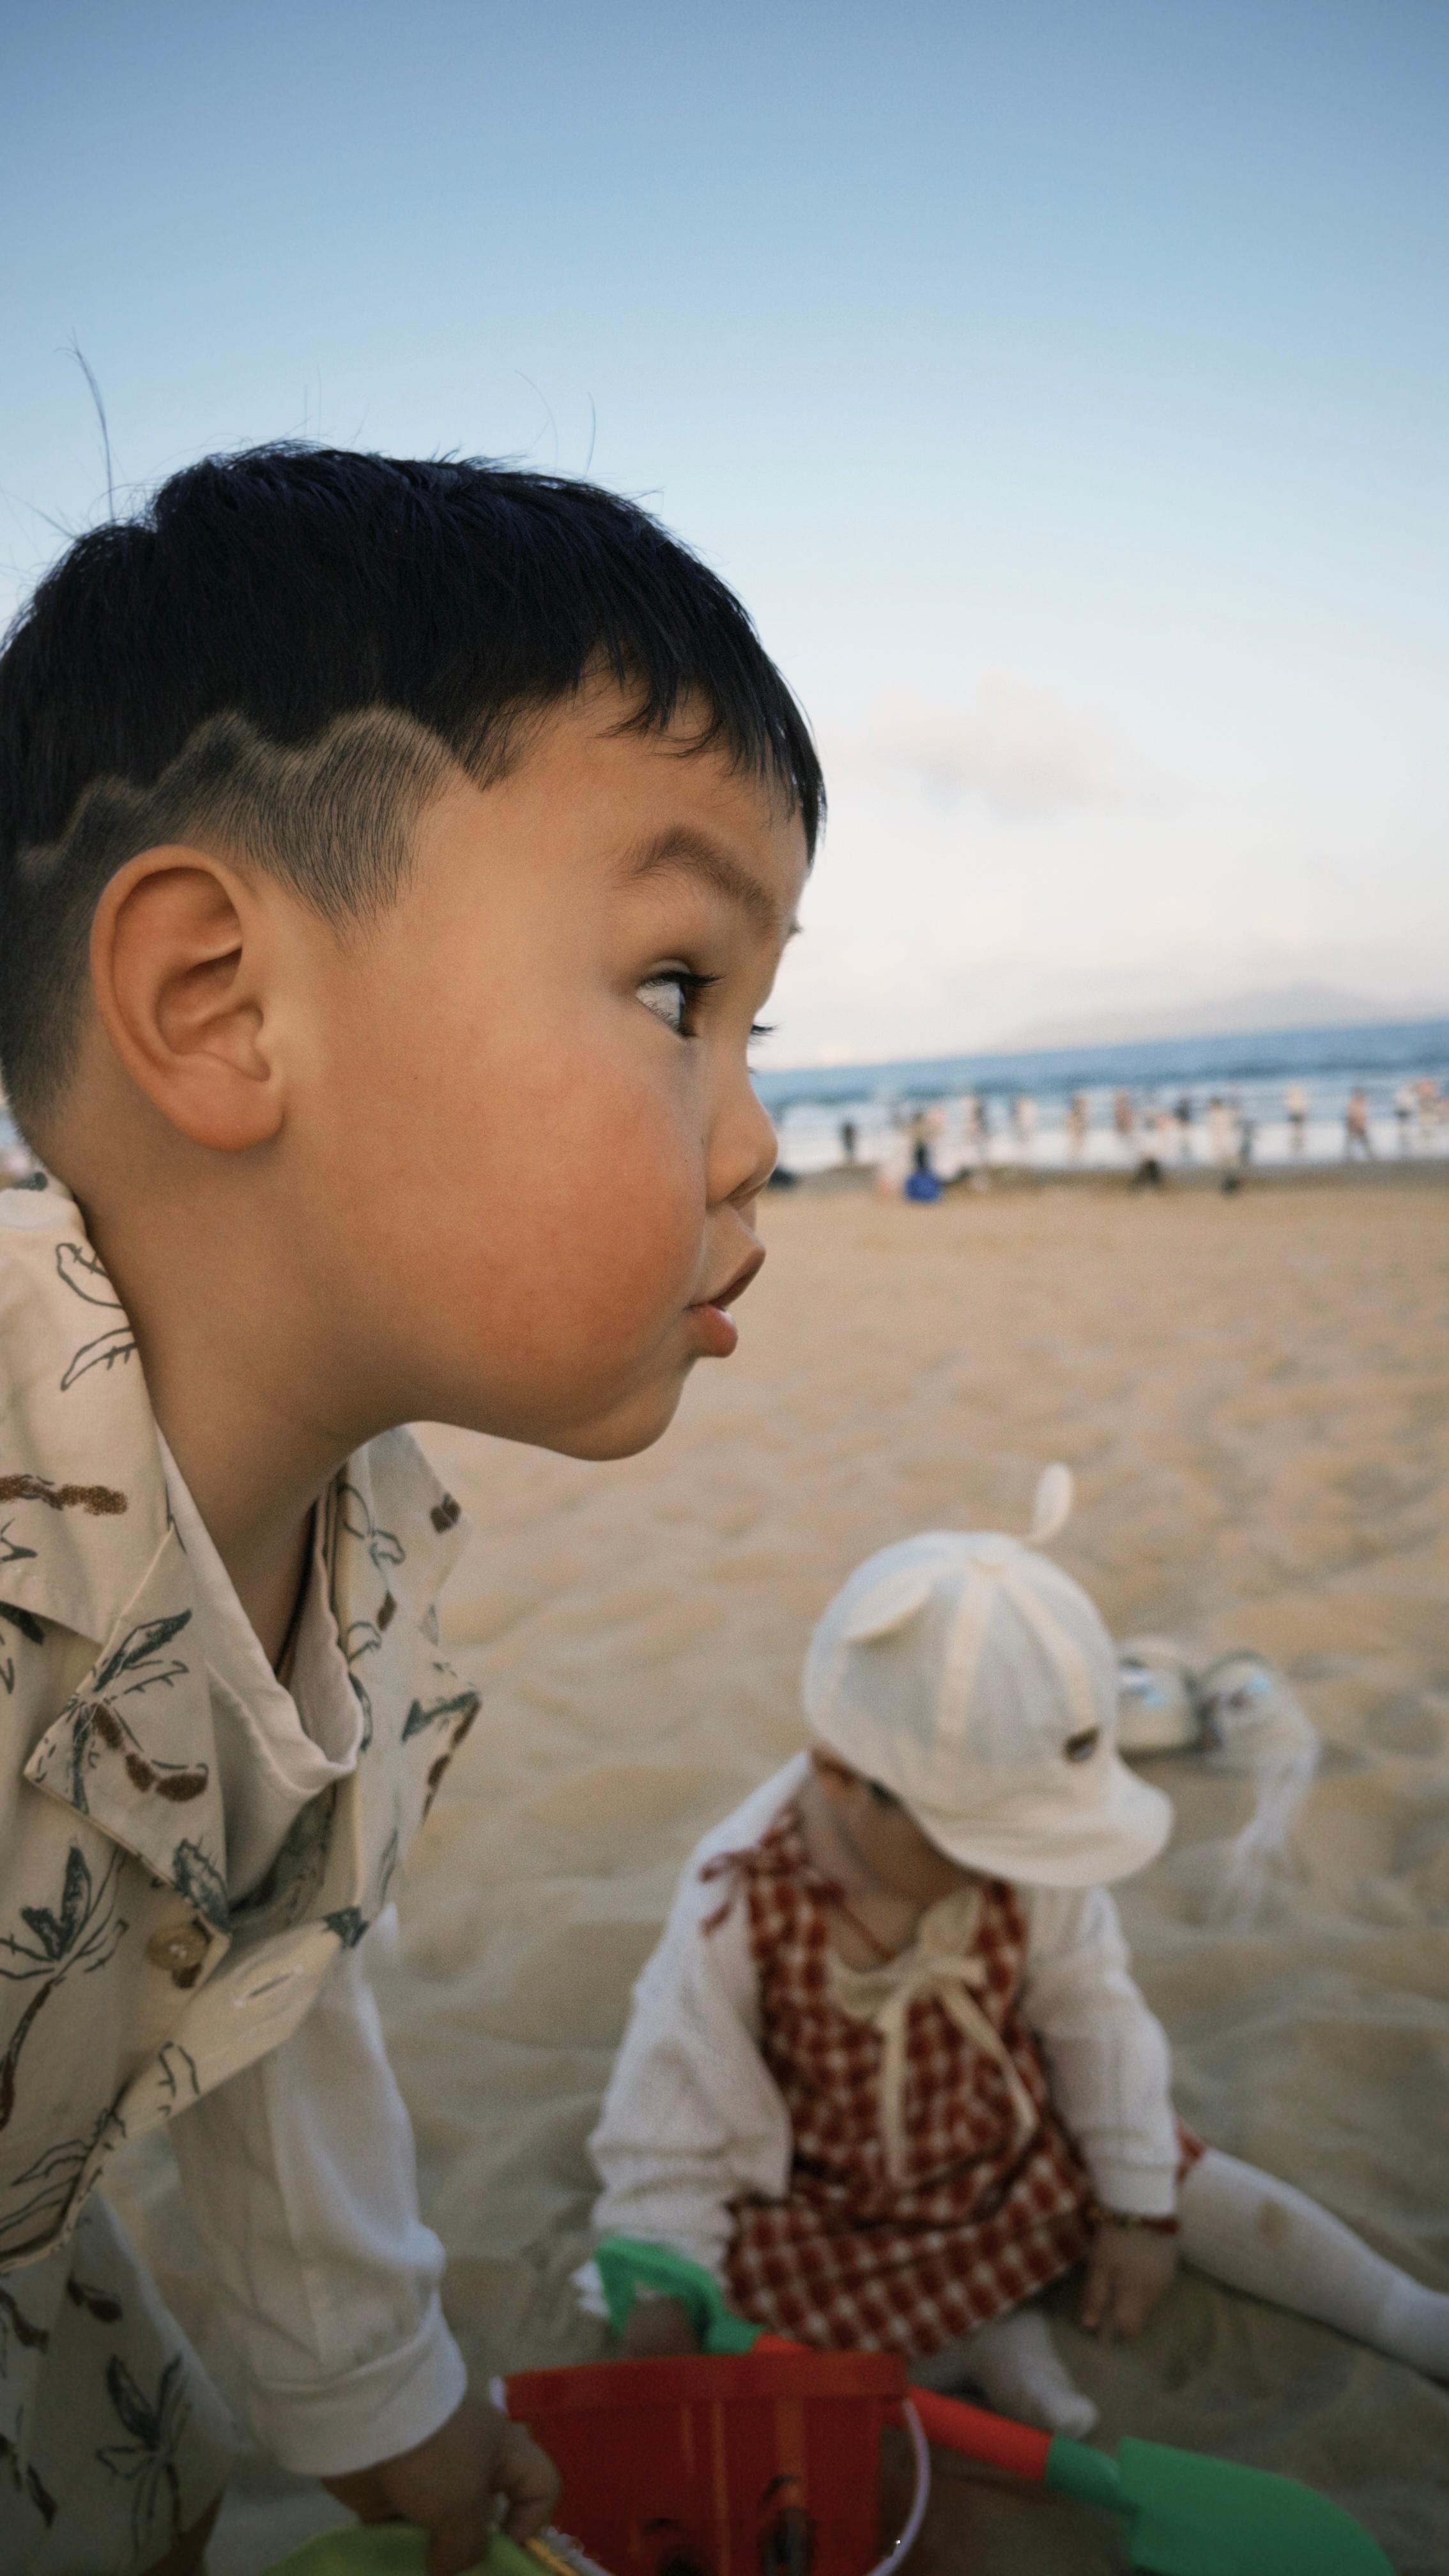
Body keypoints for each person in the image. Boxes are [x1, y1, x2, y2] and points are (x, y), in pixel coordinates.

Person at [0, 445, 817, 2576]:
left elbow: (254, 1975)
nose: (749, 1141)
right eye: (671, 994)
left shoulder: (340, 1545)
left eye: (753, 1023)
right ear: (218, 1002)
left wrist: (385, 2406)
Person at [587, 1478, 1449, 2430]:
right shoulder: (735, 1901)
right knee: (752, 2318)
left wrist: (1132, 2208)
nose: (992, 1872)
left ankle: (1403, 2313)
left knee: (1184, 2175)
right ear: (841, 1777)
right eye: (966, 1844)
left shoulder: (1033, 1863)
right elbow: (670, 2099)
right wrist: (661, 2280)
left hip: (1014, 2144)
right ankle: (993, 2342)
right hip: (833, 2206)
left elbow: (1096, 2017)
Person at [1344, 1086, 1374, 1159]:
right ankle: (1348, 1156)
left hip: (1359, 1125)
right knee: (1351, 1141)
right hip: (1353, 1124)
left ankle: (1370, 1155)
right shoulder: (1352, 1102)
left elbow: (1363, 1115)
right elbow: (1351, 1115)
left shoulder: (1362, 1102)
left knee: (1364, 1141)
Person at [1284, 1081, 1308, 1155]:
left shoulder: (1293, 1098)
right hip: (1297, 1114)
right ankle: (1298, 1140)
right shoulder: (1298, 1097)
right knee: (1298, 1129)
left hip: (1297, 1114)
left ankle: (1298, 1140)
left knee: (1297, 1129)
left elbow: (1288, 1106)